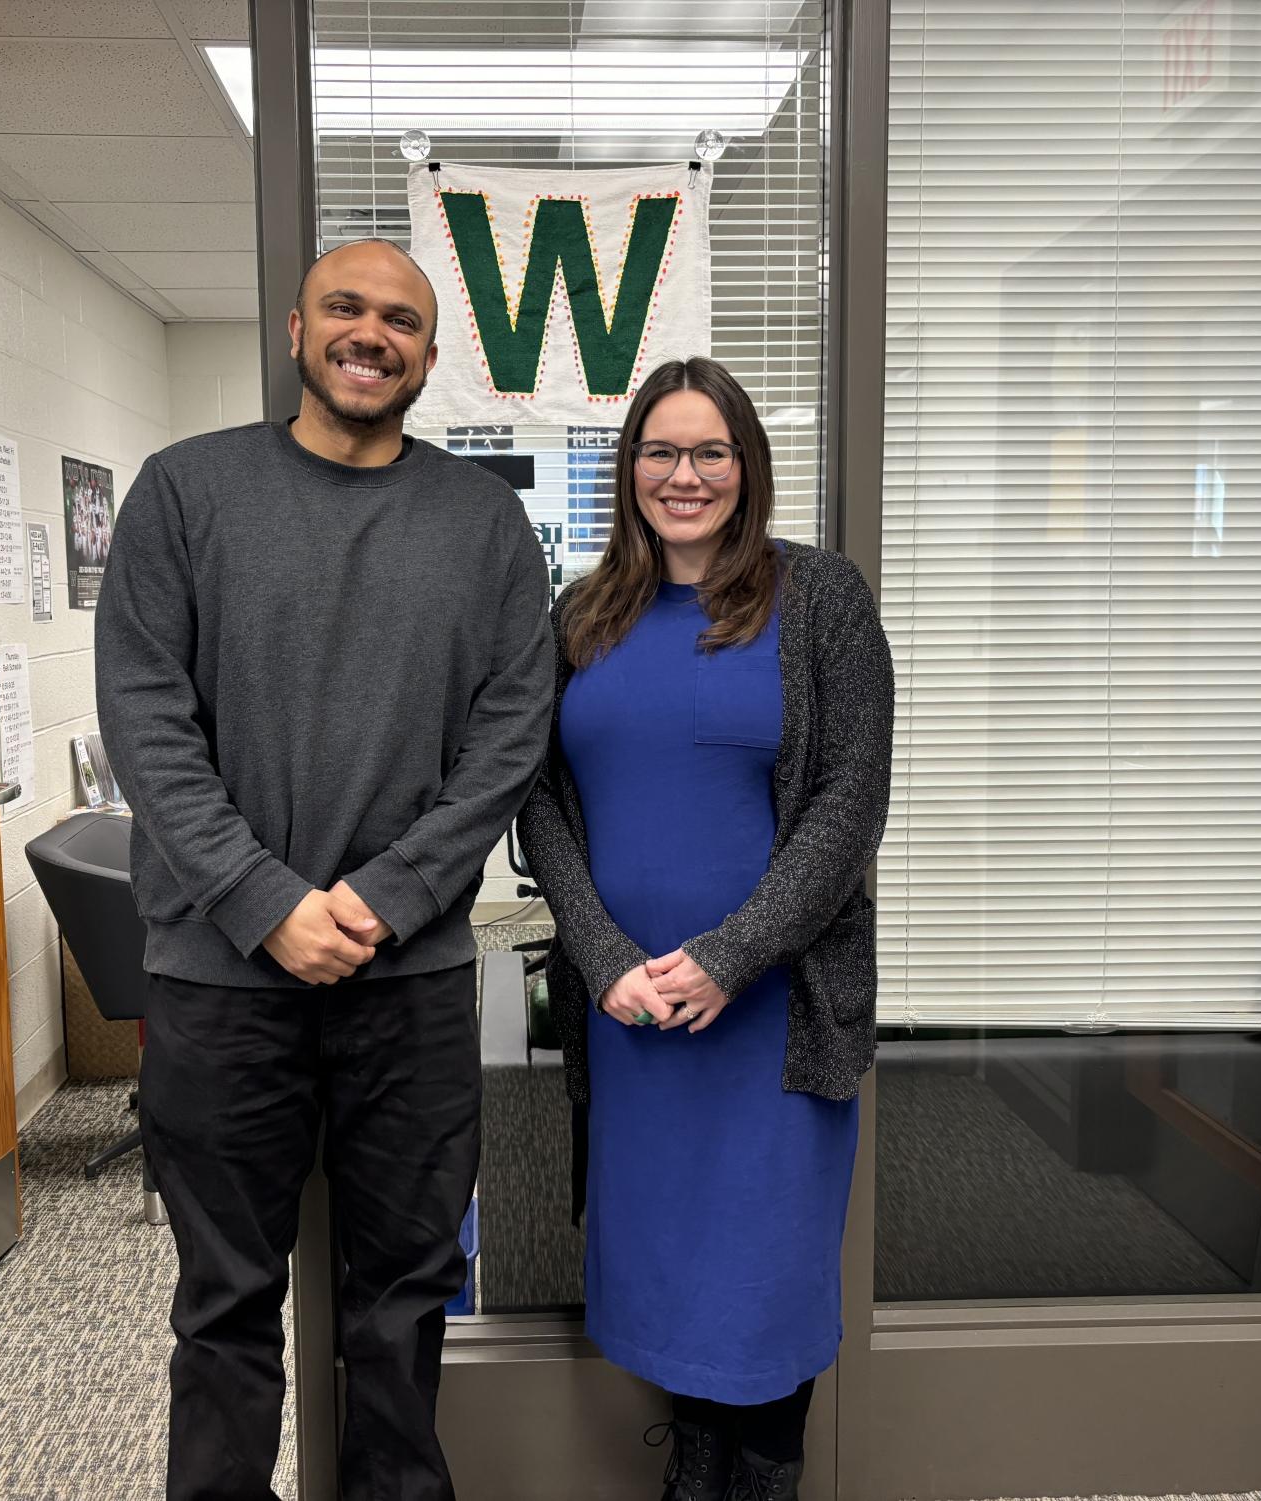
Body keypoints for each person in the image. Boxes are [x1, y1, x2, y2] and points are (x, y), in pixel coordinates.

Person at [96, 237, 554, 1501]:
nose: (372, 334)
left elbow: (513, 733)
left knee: (402, 1306)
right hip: (220, 981)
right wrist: (266, 903)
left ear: (429, 355)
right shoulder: (184, 494)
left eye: (400, 319)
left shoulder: (483, 523)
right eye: (345, 308)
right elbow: (147, 721)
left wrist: (386, 897)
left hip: (407, 989)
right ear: (295, 330)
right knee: (227, 1308)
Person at [516, 358, 894, 1501]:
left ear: (748, 465)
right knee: (668, 1268)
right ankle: (693, 1477)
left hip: (773, 1015)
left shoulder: (819, 598)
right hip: (632, 1018)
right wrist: (603, 954)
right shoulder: (581, 615)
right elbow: (537, 797)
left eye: (710, 451)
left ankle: (762, 1483)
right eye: (660, 451)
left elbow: (849, 798)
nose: (685, 475)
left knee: (765, 1276)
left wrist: (731, 957)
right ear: (628, 468)